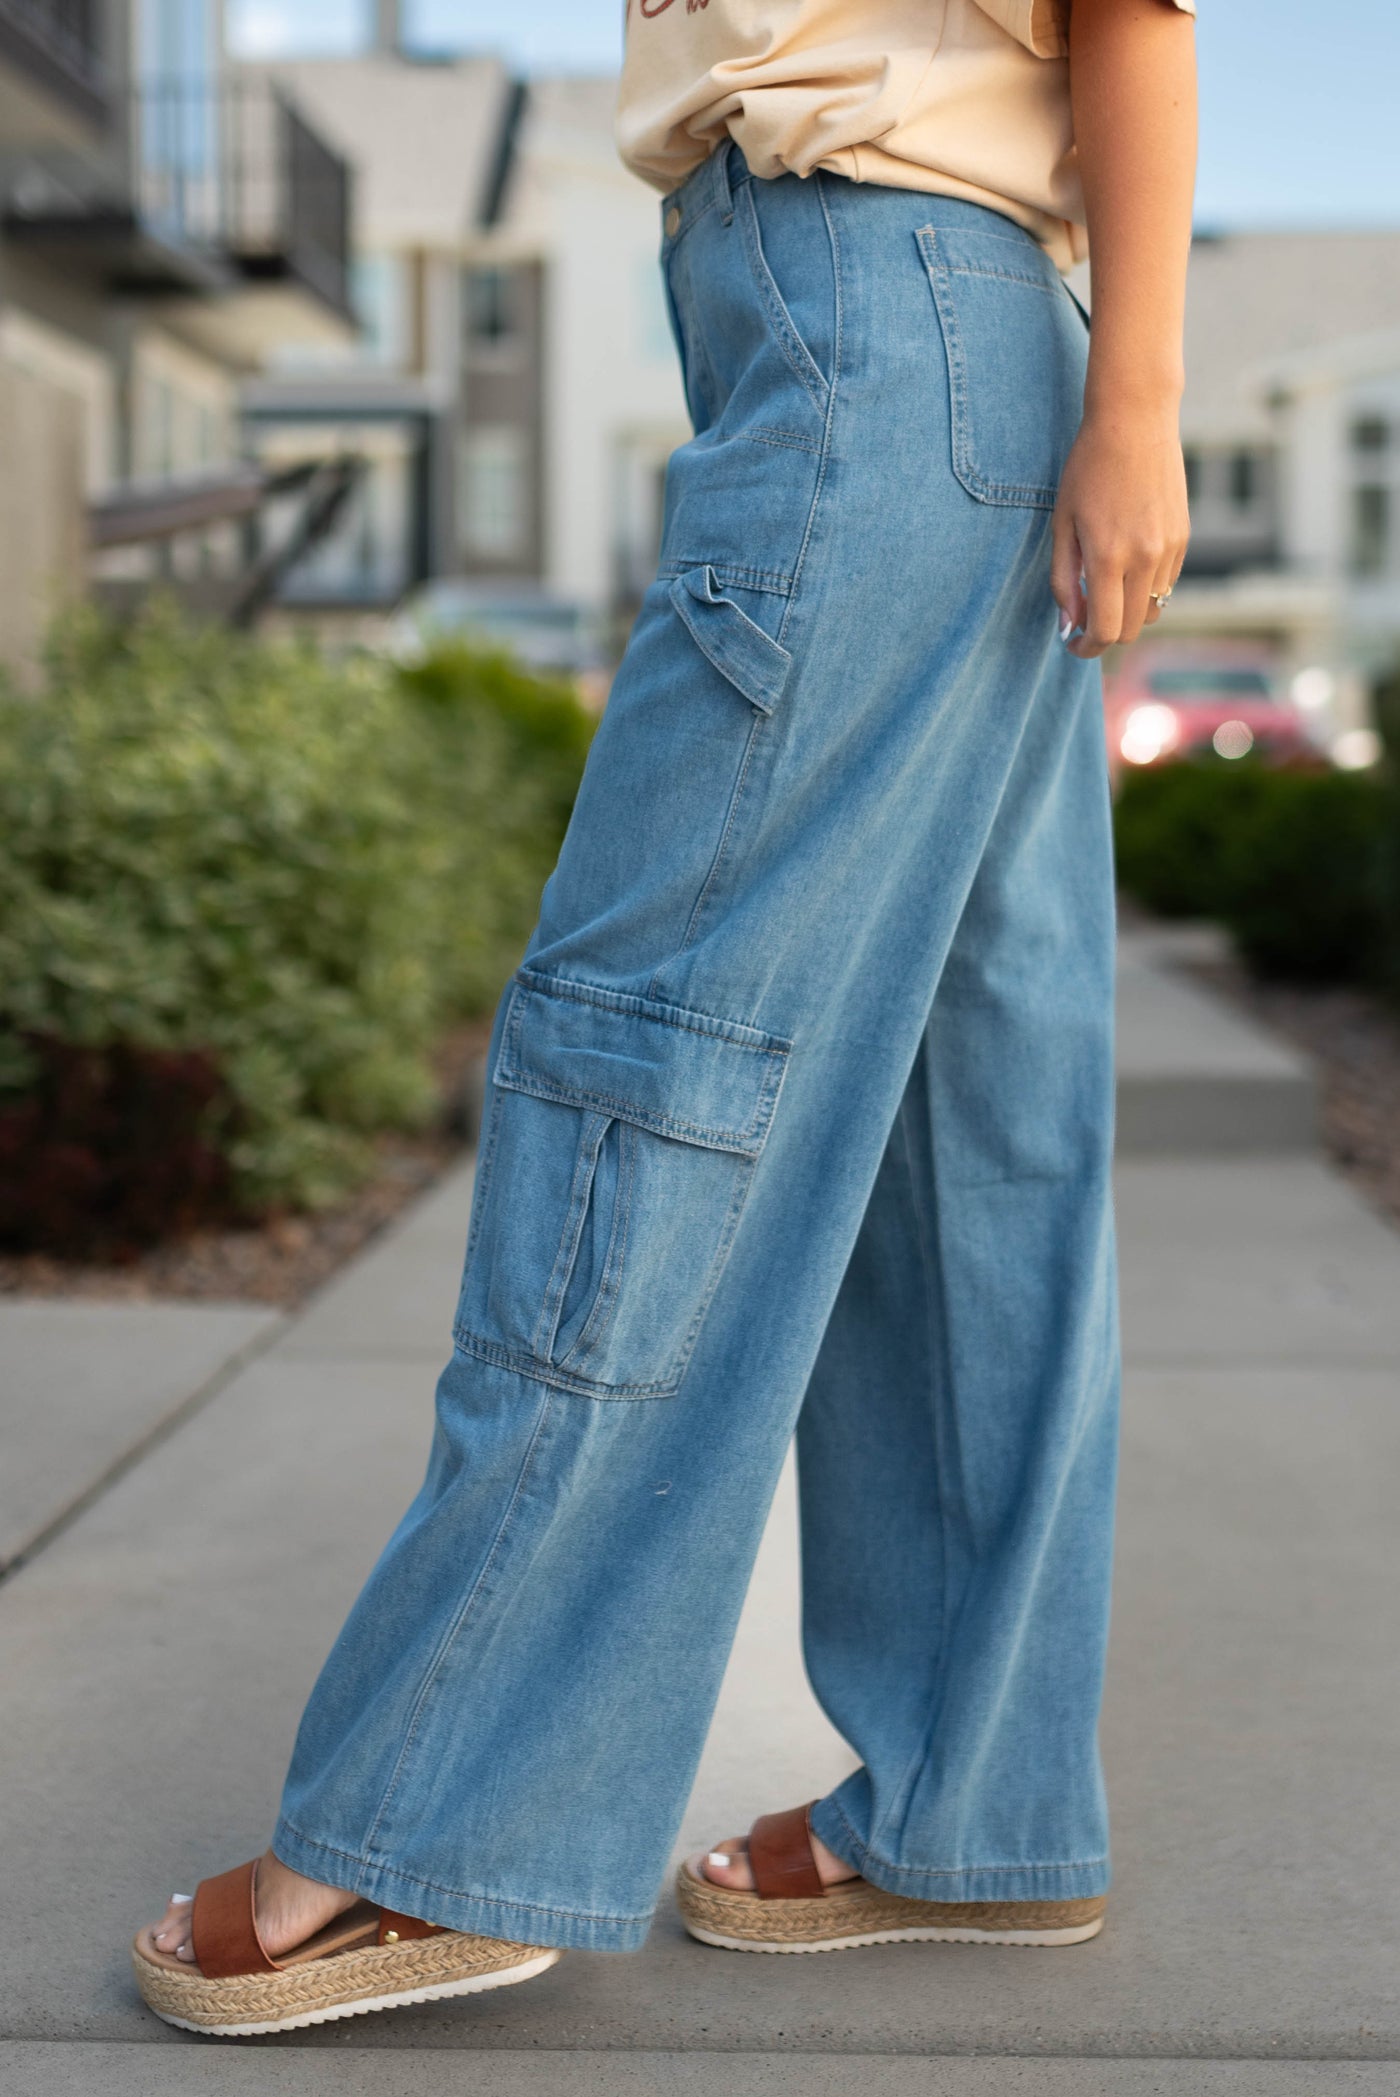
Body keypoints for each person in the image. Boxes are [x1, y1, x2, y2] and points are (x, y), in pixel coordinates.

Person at [134, 0, 1197, 2035]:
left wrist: (1142, 400)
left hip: (884, 323)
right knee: (966, 1126)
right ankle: (973, 1813)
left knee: (650, 1060)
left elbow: (1127, 18)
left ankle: (435, 1820)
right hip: (946, 348)